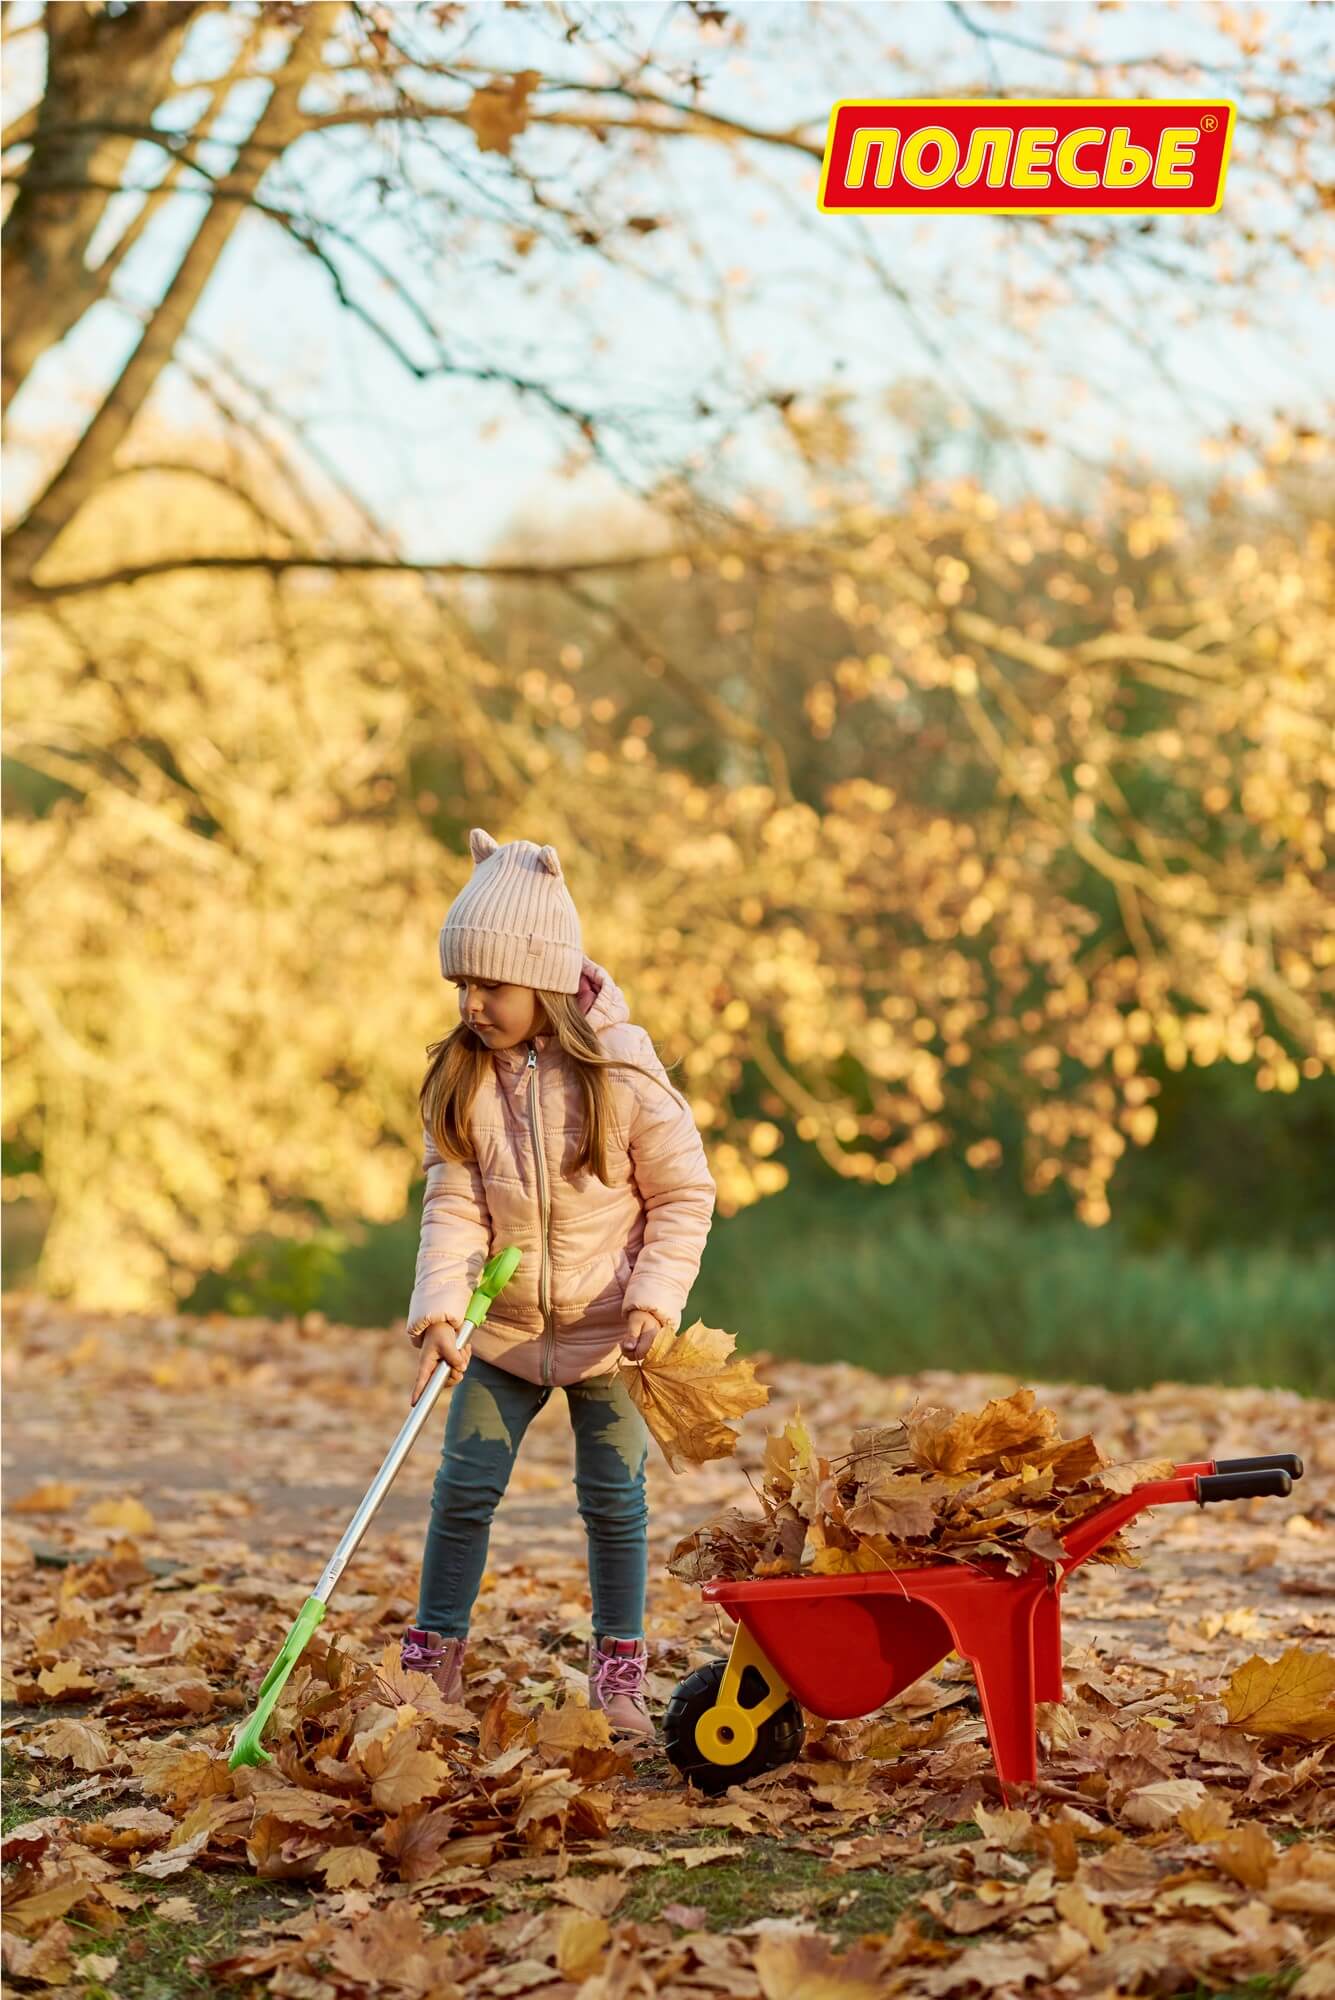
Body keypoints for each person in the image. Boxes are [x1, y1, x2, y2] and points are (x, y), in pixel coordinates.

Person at [399, 826, 717, 1740]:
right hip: (501, 1330)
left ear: (541, 980)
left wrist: (654, 1301)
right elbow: (452, 1203)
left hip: (609, 1332)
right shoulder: (465, 1077)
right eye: (460, 986)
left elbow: (683, 1193)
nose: (471, 1004)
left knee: (614, 1498)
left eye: (488, 986)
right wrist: (440, 1313)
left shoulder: (620, 1073)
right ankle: (434, 1662)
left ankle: (618, 1666)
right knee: (463, 1490)